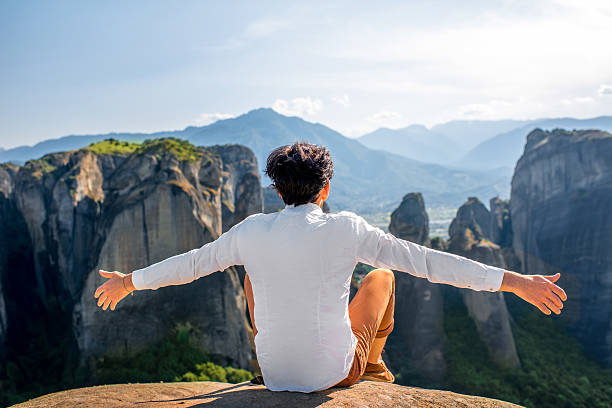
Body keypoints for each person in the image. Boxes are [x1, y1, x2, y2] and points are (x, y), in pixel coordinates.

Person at [94, 141, 567, 393]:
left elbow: (190, 264)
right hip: (331, 376)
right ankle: (374, 366)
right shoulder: (347, 228)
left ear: (279, 191)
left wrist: (129, 282)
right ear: (325, 188)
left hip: (275, 374)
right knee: (382, 276)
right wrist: (513, 281)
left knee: (250, 274)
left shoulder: (249, 231)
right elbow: (426, 262)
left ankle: (292, 359)